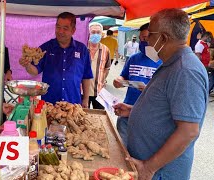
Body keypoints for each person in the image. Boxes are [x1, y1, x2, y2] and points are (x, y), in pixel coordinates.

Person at [113, 9, 208, 179]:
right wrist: (133, 110)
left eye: (150, 34)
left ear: (163, 38)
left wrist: (149, 167)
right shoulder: (170, 64)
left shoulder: (185, 70)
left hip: (161, 173)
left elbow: (189, 131)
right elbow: (164, 108)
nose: (147, 39)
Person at [19, 12, 93, 107]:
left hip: (73, 104)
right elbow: (35, 71)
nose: (60, 31)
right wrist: (27, 65)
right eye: (58, 27)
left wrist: (86, 99)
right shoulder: (45, 48)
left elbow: (86, 76)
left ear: (73, 30)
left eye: (65, 28)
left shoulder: (82, 49)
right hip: (50, 103)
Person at [113, 23, 162, 145]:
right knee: (121, 147)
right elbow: (124, 75)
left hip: (148, 115)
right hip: (126, 110)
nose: (143, 41)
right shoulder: (134, 58)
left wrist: (148, 90)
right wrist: (119, 80)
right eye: (141, 38)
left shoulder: (163, 62)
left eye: (146, 38)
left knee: (138, 150)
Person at [87, 22, 110, 109]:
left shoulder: (106, 50)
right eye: (93, 32)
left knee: (99, 115)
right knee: (83, 117)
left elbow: (106, 68)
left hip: (99, 91)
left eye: (98, 32)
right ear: (88, 33)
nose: (96, 34)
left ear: (101, 34)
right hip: (82, 91)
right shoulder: (83, 49)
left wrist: (102, 80)